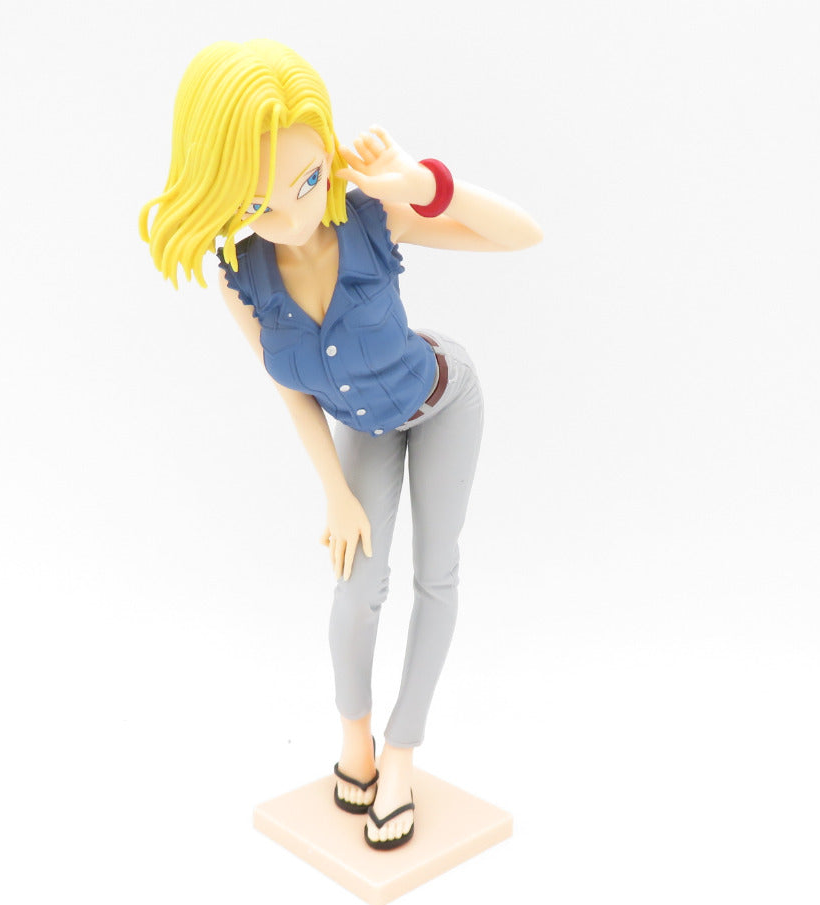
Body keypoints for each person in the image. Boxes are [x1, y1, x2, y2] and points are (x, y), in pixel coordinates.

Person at [140, 39, 542, 849]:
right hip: (364, 430)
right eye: (258, 204)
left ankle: (401, 755)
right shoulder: (238, 273)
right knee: (356, 590)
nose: (291, 217)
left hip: (441, 399)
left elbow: (521, 234)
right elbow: (289, 386)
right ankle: (353, 741)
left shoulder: (368, 215)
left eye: (306, 180)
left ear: (327, 152)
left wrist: (421, 185)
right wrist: (334, 491)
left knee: (436, 575)